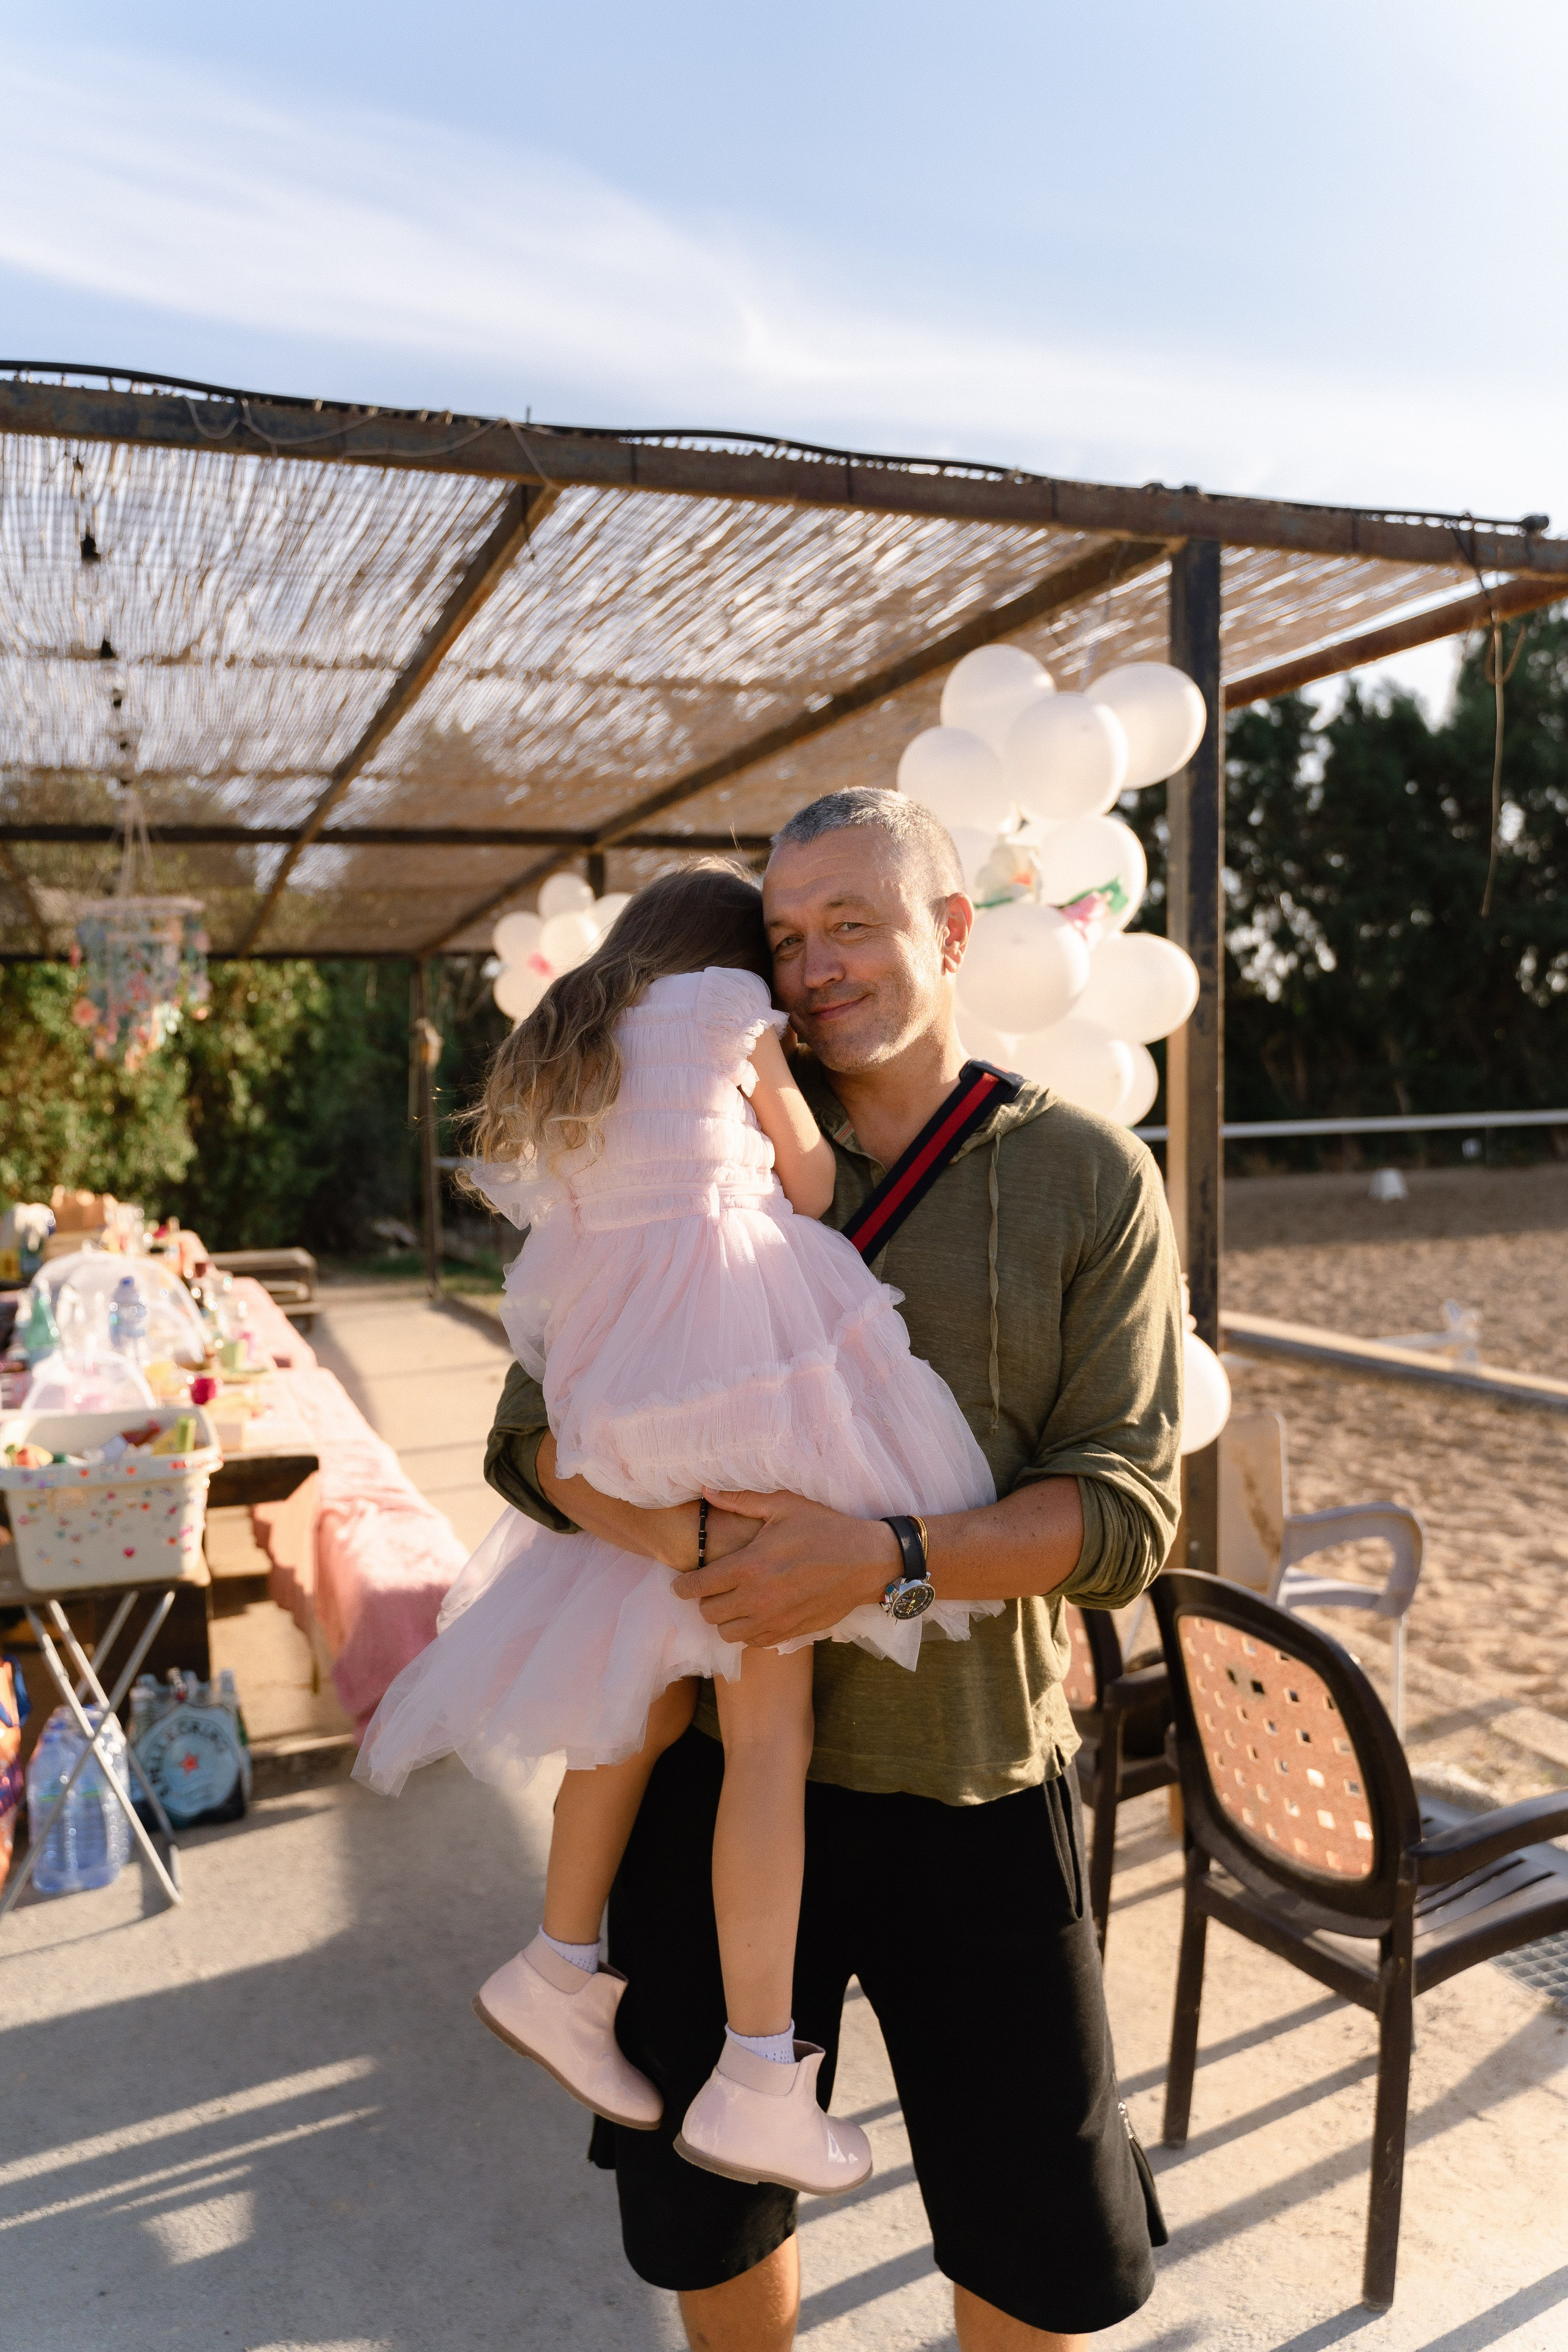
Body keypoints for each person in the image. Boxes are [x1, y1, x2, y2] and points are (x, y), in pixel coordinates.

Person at [484, 787, 1185, 2351]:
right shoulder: (690, 1118)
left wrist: (888, 1556)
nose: (810, 970)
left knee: (1037, 2252)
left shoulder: (1082, 1178)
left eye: (849, 926)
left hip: (975, 1791)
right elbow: (523, 1435)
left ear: (948, 930)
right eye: (787, 936)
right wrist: (698, 1545)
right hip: (716, 1777)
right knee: (703, 2221)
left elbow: (1130, 1510)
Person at [356, 861, 1000, 2195]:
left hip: (614, 1408)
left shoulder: (575, 1038)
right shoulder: (728, 1012)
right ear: (734, 956)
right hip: (737, 1385)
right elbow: (815, 1189)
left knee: (632, 1696)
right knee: (768, 1734)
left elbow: (565, 1238)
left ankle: (555, 1963)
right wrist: (780, 1139)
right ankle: (760, 2077)